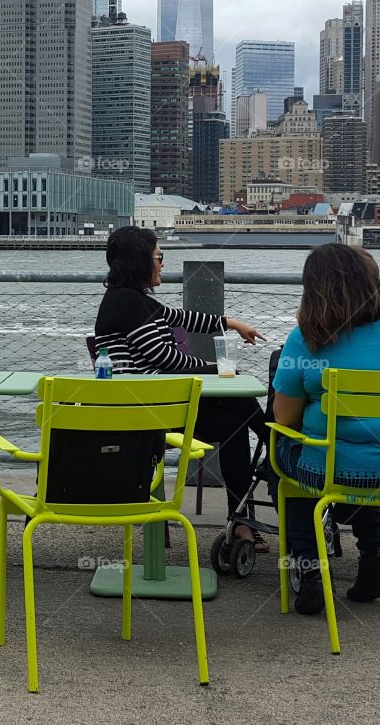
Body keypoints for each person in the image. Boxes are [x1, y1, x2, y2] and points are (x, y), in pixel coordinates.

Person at [270, 244, 380, 614]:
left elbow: (283, 418)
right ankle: (372, 552)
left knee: (288, 465)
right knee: (359, 457)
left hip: (345, 468)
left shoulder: (307, 337)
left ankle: (310, 571)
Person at [93, 226, 268, 547]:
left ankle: (244, 514)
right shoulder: (127, 303)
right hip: (142, 419)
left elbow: (183, 317)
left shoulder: (135, 300)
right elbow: (164, 357)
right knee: (238, 414)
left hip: (151, 410)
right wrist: (216, 368)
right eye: (158, 257)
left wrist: (231, 323)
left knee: (236, 418)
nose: (161, 263)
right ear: (139, 261)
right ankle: (274, 457)